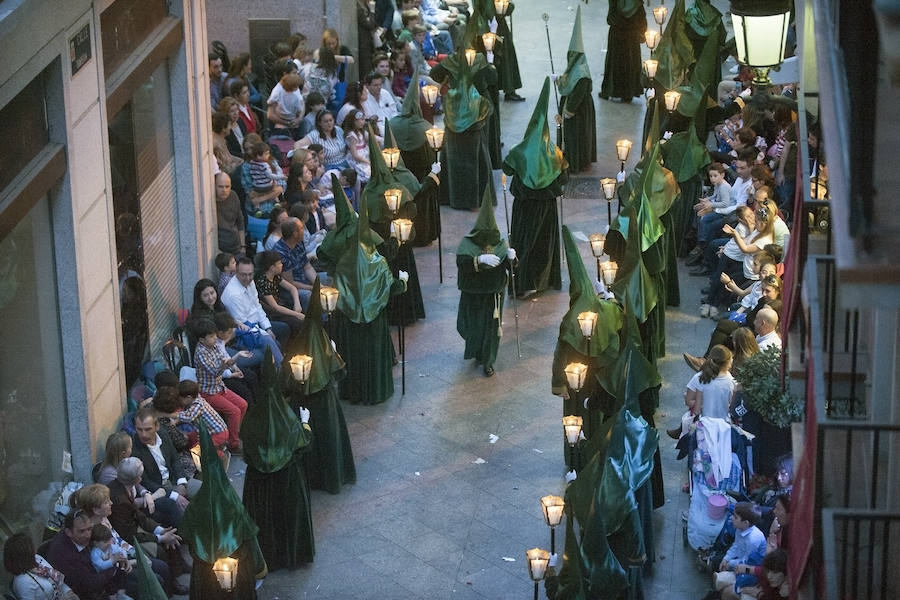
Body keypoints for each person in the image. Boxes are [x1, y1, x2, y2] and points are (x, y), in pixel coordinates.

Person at [503, 77, 568, 296]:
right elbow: (564, 179)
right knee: (543, 244)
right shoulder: (555, 154)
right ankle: (542, 280)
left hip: (523, 208)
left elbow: (507, 168)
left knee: (524, 242)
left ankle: (522, 281)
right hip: (546, 209)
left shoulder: (520, 151)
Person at [430, 49, 496, 210]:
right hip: (477, 114)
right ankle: (476, 200)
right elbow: (493, 79)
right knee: (477, 157)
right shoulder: (480, 61)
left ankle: (450, 197)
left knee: (452, 156)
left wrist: (448, 78)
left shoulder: (452, 62)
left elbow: (434, 73)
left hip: (454, 113)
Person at [456, 185, 512, 377]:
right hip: (473, 293)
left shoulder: (501, 244)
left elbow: (509, 268)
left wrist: (512, 258)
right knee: (473, 326)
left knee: (491, 330)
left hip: (493, 294)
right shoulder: (466, 244)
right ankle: (476, 351)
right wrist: (478, 260)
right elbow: (462, 262)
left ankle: (488, 360)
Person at [193, 318, 250, 454]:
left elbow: (225, 360)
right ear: (202, 339)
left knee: (243, 405)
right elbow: (216, 371)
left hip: (219, 387)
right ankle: (233, 443)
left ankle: (233, 434)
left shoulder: (214, 346)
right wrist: (233, 359)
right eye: (211, 336)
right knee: (234, 411)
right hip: (208, 392)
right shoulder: (201, 353)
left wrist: (236, 359)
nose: (215, 338)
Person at [555, 6, 596, 173]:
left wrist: (568, 111)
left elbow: (578, 94)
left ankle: (575, 161)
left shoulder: (581, 73)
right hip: (572, 108)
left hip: (578, 112)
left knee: (575, 136)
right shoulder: (573, 69)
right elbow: (567, 85)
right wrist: (559, 80)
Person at [221, 256, 291, 352]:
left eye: (250, 274)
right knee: (274, 345)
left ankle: (279, 356)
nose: (248, 278)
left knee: (284, 328)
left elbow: (257, 305)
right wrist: (266, 334)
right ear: (236, 273)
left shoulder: (250, 281)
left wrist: (267, 327)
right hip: (246, 333)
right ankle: (277, 362)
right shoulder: (233, 295)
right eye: (243, 275)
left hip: (258, 323)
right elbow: (244, 324)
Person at [131, 407, 196, 507]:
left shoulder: (163, 434)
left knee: (209, 491)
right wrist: (174, 495)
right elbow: (145, 481)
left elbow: (174, 458)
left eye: (148, 429)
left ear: (157, 426)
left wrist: (181, 481)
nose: (143, 434)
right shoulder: (134, 448)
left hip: (174, 479)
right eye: (139, 430)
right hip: (158, 489)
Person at [4, 532, 78, 600]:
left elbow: (58, 581)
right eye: (31, 546)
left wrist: (69, 592)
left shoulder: (37, 558)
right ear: (25, 554)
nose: (34, 547)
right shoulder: (23, 583)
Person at [600, 0, 646, 102]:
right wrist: (641, 32)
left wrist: (622, 24)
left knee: (615, 63)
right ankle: (628, 93)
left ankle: (611, 90)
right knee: (630, 63)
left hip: (617, 34)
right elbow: (641, 15)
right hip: (632, 35)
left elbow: (611, 17)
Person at [254, 249, 305, 335]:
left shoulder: (275, 276)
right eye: (279, 263)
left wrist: (297, 303)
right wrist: (296, 314)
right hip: (273, 313)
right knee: (298, 322)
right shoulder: (263, 282)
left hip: (281, 306)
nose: (282, 265)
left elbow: (292, 288)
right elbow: (275, 307)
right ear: (272, 267)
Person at [273, 217, 319, 309]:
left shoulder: (299, 243)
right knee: (308, 295)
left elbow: (307, 267)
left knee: (328, 278)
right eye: (302, 228)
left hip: (304, 279)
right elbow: (290, 282)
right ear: (295, 233)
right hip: (291, 290)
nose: (304, 231)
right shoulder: (281, 253)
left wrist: (317, 284)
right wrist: (313, 288)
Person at [685, 345, 735, 420]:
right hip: (724, 424)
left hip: (703, 422)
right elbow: (732, 405)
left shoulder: (699, 378)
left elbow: (688, 401)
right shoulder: (731, 381)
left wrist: (705, 405)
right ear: (727, 363)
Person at [89, 524, 132, 600]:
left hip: (113, 571)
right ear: (96, 543)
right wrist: (112, 561)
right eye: (105, 541)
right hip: (103, 575)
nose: (109, 543)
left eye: (110, 540)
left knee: (122, 574)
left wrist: (123, 556)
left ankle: (121, 594)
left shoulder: (111, 547)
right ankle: (113, 597)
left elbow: (120, 550)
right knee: (110, 586)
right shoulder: (95, 553)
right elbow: (101, 565)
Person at [267, 71, 305, 140]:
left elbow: (270, 102)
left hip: (280, 119)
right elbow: (300, 109)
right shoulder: (296, 97)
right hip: (291, 120)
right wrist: (299, 117)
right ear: (294, 87)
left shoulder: (279, 93)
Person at [214, 172, 245, 256]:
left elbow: (240, 222)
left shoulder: (233, 195)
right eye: (220, 186)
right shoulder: (211, 203)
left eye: (227, 186)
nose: (224, 190)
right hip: (221, 251)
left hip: (237, 247)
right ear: (214, 186)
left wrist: (243, 246)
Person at [212, 111, 244, 175]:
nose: (231, 128)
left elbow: (229, 157)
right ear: (224, 128)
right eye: (230, 125)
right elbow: (223, 165)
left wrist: (241, 161)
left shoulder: (222, 139)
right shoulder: (215, 142)